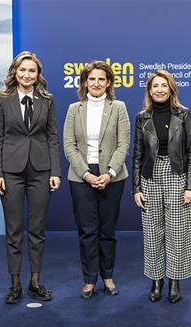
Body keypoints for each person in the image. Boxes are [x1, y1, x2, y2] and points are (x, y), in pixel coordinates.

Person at [0, 51, 61, 304]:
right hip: (10, 172)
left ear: (37, 74)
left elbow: (52, 137)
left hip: (41, 171)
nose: (27, 75)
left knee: (37, 230)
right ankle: (14, 284)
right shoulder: (2, 99)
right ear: (15, 73)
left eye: (32, 71)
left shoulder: (47, 99)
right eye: (22, 70)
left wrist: (55, 171)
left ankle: (35, 281)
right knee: (14, 230)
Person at [63, 61, 130, 300]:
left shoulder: (119, 107)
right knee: (87, 231)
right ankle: (89, 279)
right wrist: (87, 174)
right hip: (81, 176)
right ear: (84, 83)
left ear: (109, 82)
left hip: (112, 176)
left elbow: (123, 144)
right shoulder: (74, 109)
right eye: (92, 79)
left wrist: (110, 173)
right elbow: (69, 146)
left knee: (107, 230)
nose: (96, 83)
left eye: (101, 79)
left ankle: (108, 276)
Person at [132, 69, 191, 303]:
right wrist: (136, 188)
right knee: (152, 232)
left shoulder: (184, 114)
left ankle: (174, 281)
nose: (159, 90)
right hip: (150, 176)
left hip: (177, 174)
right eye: (154, 86)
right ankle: (156, 280)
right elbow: (137, 154)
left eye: (163, 85)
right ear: (149, 91)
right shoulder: (142, 116)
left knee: (178, 232)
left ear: (171, 89)